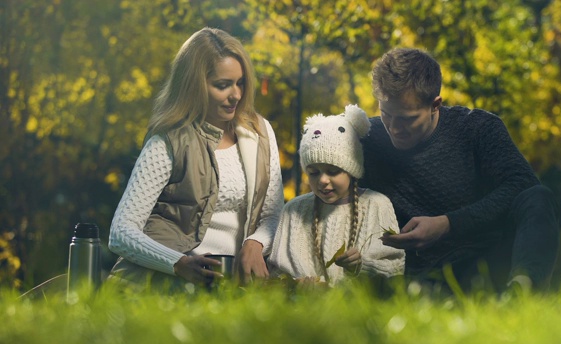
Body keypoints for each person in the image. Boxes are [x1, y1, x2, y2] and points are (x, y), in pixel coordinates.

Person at [361, 48, 559, 293]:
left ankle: (523, 293)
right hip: (418, 276)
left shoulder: (478, 129)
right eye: (386, 115)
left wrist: (447, 224)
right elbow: (319, 149)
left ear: (435, 105)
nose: (394, 128)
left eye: (407, 119)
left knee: (537, 197)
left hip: (488, 260)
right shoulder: (366, 136)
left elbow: (522, 184)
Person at [107, 27, 284, 291]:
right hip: (164, 283)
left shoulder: (260, 133)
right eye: (222, 85)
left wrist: (256, 242)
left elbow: (273, 215)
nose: (235, 94)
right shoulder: (168, 141)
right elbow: (121, 233)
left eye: (240, 82)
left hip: (232, 286)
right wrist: (177, 263)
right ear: (194, 85)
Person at [268, 105, 405, 287]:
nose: (323, 180)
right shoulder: (294, 210)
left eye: (333, 171)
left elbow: (393, 267)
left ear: (351, 170)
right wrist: (296, 284)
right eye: (314, 173)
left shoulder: (377, 205)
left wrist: (362, 265)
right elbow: (277, 272)